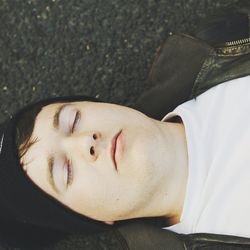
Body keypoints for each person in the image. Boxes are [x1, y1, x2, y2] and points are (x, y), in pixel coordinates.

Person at [0, 2, 250, 249]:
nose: (86, 141)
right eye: (66, 172)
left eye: (73, 120)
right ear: (89, 219)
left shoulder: (219, 38)